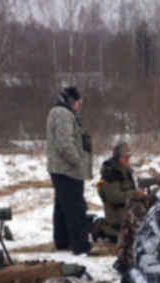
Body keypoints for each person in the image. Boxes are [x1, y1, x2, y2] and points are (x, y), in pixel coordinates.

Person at [46, 86, 93, 256]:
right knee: (75, 207)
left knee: (62, 205)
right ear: (71, 101)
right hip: (68, 170)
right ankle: (80, 246)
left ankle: (62, 241)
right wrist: (78, 162)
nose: (79, 106)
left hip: (60, 169)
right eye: (78, 102)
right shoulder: (63, 114)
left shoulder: (58, 112)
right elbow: (64, 143)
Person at [92, 141, 145, 244]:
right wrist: (134, 194)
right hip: (117, 213)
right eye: (125, 157)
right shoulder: (110, 174)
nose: (128, 160)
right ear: (118, 158)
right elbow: (115, 197)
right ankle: (104, 228)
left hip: (128, 208)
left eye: (128, 157)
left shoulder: (126, 171)